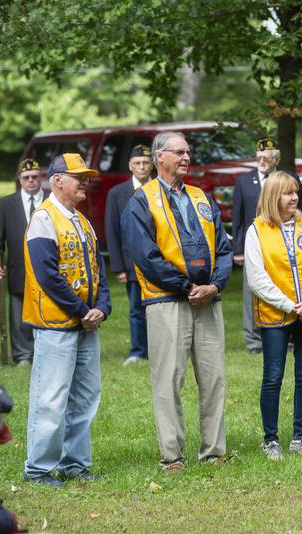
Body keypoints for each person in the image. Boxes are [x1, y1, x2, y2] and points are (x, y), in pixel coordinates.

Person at [122, 132, 232, 471]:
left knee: (214, 380)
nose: (187, 157)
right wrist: (186, 286)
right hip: (167, 302)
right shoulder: (141, 201)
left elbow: (224, 248)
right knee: (169, 381)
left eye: (188, 151)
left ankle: (214, 452)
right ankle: (172, 456)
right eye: (180, 152)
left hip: (208, 301)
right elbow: (146, 256)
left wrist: (214, 286)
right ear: (160, 157)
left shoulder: (200, 197)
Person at [23, 153, 111, 487]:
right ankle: (39, 469)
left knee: (86, 397)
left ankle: (75, 463)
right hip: (56, 323)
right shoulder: (44, 218)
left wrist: (102, 306)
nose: (85, 182)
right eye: (79, 177)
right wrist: (82, 310)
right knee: (51, 397)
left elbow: (98, 270)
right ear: (58, 179)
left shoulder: (82, 220)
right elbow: (48, 276)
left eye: (87, 177)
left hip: (85, 323)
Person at [244, 171, 302, 460]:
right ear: (272, 196)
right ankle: (271, 441)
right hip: (275, 315)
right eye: (287, 193)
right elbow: (256, 277)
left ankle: (299, 438)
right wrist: (287, 303)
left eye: (296, 192)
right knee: (273, 376)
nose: (294, 197)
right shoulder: (257, 230)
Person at [232, 138, 302, 355]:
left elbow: (299, 213)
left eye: (267, 157)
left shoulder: (290, 180)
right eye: (259, 157)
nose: (261, 161)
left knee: (285, 287)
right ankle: (254, 341)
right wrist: (237, 249)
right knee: (250, 292)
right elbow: (238, 218)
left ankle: (288, 336)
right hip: (253, 243)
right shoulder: (243, 181)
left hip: (283, 243)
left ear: (277, 159)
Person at [0, 159, 47, 366]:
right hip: (18, 267)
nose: (31, 181)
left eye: (34, 177)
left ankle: (45, 352)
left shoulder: (51, 200)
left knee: (47, 310)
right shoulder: (7, 203)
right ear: (19, 179)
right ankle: (23, 355)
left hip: (48, 267)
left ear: (40, 177)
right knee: (19, 315)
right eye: (26, 178)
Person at [105, 145, 152, 366]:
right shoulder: (117, 193)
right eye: (138, 163)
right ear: (130, 166)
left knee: (162, 307)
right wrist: (118, 266)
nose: (142, 167)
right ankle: (138, 350)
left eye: (146, 162)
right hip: (131, 261)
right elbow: (112, 230)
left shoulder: (160, 188)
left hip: (160, 260)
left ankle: (160, 348)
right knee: (136, 309)